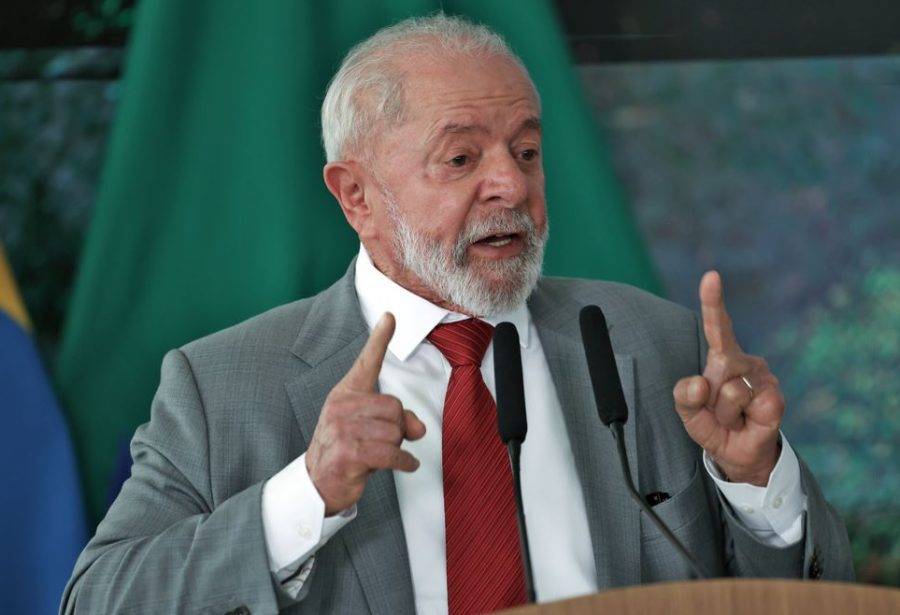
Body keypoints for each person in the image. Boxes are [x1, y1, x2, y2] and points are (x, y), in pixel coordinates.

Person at [61, 13, 853, 615]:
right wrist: (307, 491)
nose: (510, 184)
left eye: (528, 151)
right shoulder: (224, 383)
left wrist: (756, 480)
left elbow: (809, 585)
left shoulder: (653, 343)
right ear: (358, 197)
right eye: (463, 157)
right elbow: (99, 597)